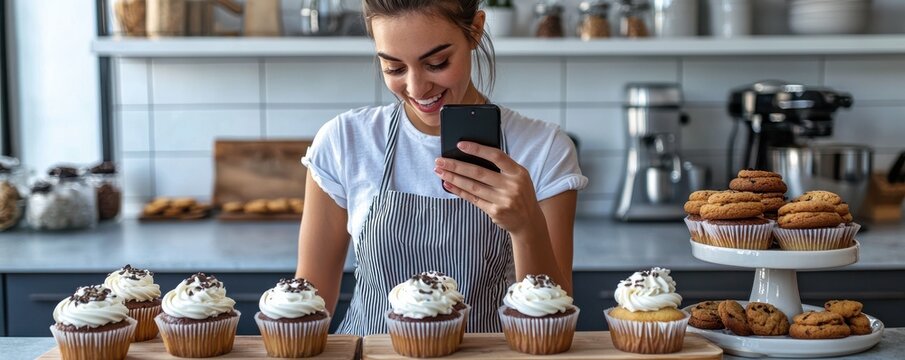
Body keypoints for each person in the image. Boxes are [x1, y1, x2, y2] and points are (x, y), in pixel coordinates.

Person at [296, 0, 587, 336]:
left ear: (475, 30)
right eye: (394, 68)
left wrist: (527, 228)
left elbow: (552, 326)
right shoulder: (344, 140)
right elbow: (306, 308)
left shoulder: (543, 148)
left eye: (436, 63)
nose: (417, 88)